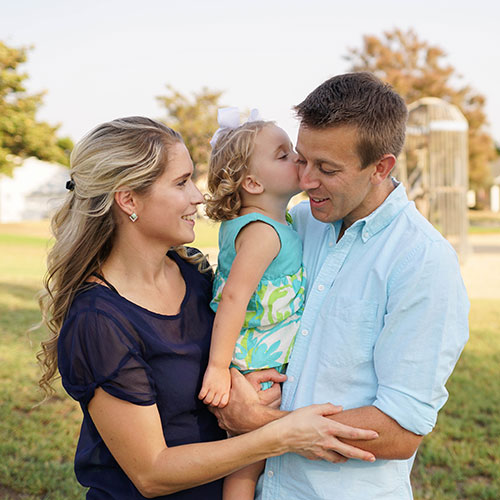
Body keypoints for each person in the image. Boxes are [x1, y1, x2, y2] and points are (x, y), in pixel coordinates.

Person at [36, 116, 380, 500]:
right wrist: (277, 434)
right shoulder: (99, 320)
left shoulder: (195, 272)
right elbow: (151, 473)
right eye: (181, 182)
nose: (198, 197)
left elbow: (234, 348)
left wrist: (248, 389)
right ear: (129, 199)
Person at [212, 73, 470, 500]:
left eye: (327, 169)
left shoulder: (423, 262)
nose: (306, 179)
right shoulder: (295, 225)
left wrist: (258, 424)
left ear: (381, 167)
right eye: (302, 159)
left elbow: (400, 430)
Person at [198, 108, 306, 499]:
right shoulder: (261, 232)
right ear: (253, 183)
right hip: (252, 359)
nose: (297, 157)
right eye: (282, 154)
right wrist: (217, 366)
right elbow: (234, 297)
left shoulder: (277, 223)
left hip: (261, 354)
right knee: (248, 461)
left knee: (254, 460)